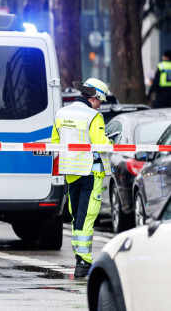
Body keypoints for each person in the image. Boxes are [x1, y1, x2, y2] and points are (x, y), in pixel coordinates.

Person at [52, 78, 112, 278]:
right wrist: (109, 144)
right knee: (87, 217)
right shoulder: (93, 116)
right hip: (89, 171)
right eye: (100, 101)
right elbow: (100, 144)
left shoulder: (61, 114)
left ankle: (79, 259)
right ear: (94, 97)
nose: (100, 105)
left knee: (77, 215)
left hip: (70, 172)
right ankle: (83, 262)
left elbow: (55, 143)